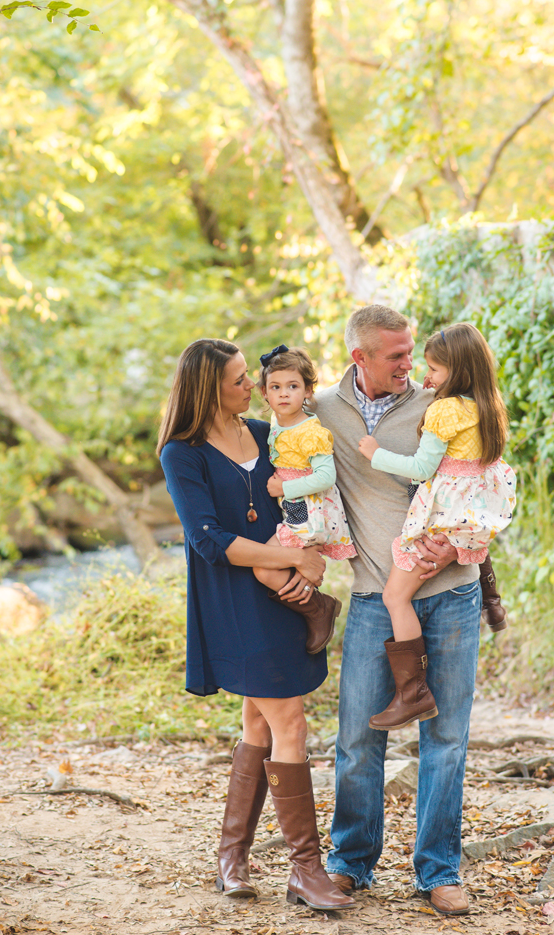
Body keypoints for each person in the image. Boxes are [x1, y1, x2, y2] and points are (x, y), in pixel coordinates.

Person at [158, 339, 353, 913]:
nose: (256, 386)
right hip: (232, 600)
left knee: (259, 723)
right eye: (242, 379)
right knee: (288, 718)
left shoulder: (270, 436)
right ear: (209, 387)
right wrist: (288, 561)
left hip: (282, 595)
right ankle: (306, 871)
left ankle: (231, 857)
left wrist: (306, 561)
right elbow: (206, 540)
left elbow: (299, 508)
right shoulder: (182, 453)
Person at [312, 305, 483, 918]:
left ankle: (438, 871)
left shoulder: (441, 403)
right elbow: (279, 450)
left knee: (447, 737)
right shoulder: (324, 410)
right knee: (357, 737)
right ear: (360, 357)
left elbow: (484, 479)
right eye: (396, 356)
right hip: (372, 594)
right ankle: (350, 865)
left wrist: (460, 543)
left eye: (413, 353)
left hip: (453, 591)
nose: (410, 364)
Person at [358, 323, 516, 730]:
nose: (424, 377)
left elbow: (423, 467)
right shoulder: (487, 406)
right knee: (452, 557)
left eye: (434, 369)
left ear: (459, 370)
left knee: (395, 597)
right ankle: (491, 600)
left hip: (443, 514)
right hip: (471, 511)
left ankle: (413, 694)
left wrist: (376, 454)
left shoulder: (446, 409)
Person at [251, 344, 355, 649]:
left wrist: (285, 488)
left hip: (311, 510)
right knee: (280, 566)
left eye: (293, 386)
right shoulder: (276, 426)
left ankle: (318, 609)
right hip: (295, 508)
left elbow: (326, 476)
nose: (284, 394)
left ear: (308, 391)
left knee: (264, 568)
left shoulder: (310, 430)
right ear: (265, 394)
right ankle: (308, 613)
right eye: (276, 387)